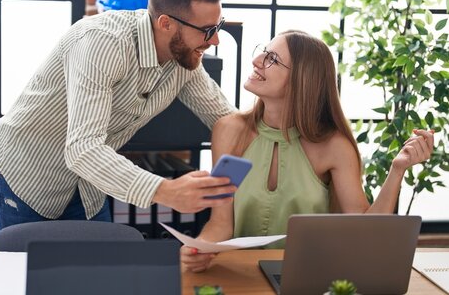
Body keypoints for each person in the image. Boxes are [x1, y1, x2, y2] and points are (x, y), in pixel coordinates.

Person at [0, 0, 238, 233]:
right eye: (208, 30)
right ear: (166, 23)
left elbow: (225, 118)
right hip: (28, 174)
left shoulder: (184, 59)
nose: (216, 39)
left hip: (88, 184)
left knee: (98, 270)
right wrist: (167, 191)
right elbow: (83, 149)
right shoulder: (104, 43)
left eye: (218, 26)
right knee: (24, 272)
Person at [181, 30, 435, 272]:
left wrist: (397, 169)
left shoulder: (333, 147)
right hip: (240, 274)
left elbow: (365, 229)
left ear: (302, 80)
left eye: (272, 59)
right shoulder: (228, 130)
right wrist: (199, 248)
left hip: (307, 275)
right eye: (263, 52)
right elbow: (221, 223)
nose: (256, 60)